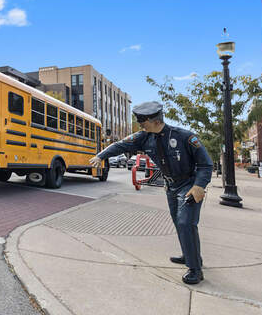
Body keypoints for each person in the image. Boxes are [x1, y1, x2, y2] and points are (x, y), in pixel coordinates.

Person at [89, 101, 212, 284]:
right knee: (179, 223)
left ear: (155, 121)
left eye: (143, 121)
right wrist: (101, 156)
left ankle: (195, 269)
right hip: (171, 187)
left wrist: (199, 186)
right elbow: (120, 146)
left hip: (189, 185)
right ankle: (190, 255)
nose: (140, 125)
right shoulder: (144, 137)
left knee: (186, 223)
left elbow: (205, 164)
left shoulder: (184, 137)